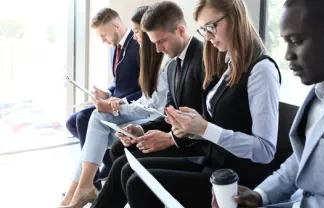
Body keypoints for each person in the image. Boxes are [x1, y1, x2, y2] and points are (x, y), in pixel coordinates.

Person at [107, 0, 281, 207]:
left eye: (211, 27)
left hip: (233, 178)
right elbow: (217, 123)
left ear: (235, 19)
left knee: (138, 183)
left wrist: (204, 129)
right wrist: (191, 128)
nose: (207, 36)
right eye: (203, 29)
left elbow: (265, 151)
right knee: (131, 172)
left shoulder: (262, 70)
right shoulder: (228, 64)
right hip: (212, 163)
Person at [212, 0, 324, 208]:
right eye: (285, 42)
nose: (287, 55)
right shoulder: (323, 84)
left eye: (296, 41)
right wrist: (261, 195)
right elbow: (305, 158)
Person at [91, 2, 206, 208]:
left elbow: (206, 123)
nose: (158, 49)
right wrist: (140, 129)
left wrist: (170, 139)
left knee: (125, 169)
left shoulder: (203, 60)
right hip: (180, 138)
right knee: (119, 155)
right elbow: (170, 114)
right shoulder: (173, 65)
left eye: (162, 41)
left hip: (196, 149)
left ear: (181, 30)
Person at [58, 7, 150, 208]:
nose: (103, 40)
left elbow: (145, 92)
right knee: (74, 121)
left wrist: (117, 102)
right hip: (115, 102)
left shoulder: (140, 46)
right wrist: (107, 94)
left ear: (116, 26)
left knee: (87, 120)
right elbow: (118, 83)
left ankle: (87, 181)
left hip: (129, 106)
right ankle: (89, 175)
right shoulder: (115, 49)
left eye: (103, 35)